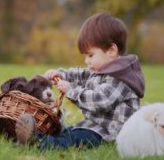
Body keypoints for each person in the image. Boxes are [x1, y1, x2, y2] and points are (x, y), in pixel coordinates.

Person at [15, 12, 145, 150]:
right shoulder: (103, 69)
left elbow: (100, 101)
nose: (86, 61)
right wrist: (61, 74)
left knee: (73, 138)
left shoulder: (121, 78)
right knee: (70, 132)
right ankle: (32, 136)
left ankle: (40, 143)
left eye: (90, 55)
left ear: (111, 51)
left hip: (109, 134)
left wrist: (71, 90)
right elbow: (82, 74)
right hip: (95, 127)